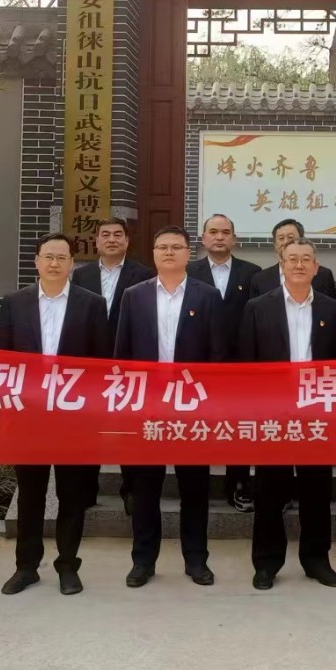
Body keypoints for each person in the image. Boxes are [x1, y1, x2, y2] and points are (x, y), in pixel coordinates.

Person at [0, 233, 111, 597]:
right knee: (30, 494)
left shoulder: (92, 304)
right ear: (36, 261)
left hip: (73, 418)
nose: (55, 263)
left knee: (72, 494)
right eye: (48, 256)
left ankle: (68, 566)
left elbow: (101, 364)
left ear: (72, 264)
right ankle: (26, 567)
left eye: (62, 257)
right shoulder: (15, 303)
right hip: (28, 416)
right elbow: (3, 361)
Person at [114, 225, 227, 587]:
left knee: (194, 488)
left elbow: (217, 355)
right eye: (162, 246)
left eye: (176, 247)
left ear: (188, 253)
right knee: (145, 489)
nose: (168, 252)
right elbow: (122, 354)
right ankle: (143, 561)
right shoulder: (134, 296)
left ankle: (196, 560)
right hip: (147, 407)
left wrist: (210, 405)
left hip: (191, 408)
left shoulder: (207, 296)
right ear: (153, 253)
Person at [240, 238, 336, 590]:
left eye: (306, 260)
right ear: (281, 265)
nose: (299, 265)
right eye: (292, 259)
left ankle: (316, 559)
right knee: (269, 490)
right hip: (274, 414)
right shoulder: (258, 307)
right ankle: (266, 562)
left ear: (316, 267)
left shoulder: (333, 310)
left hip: (317, 413)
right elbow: (247, 364)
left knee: (317, 489)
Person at [72, 217, 152, 512]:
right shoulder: (81, 276)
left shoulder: (143, 274)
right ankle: (86, 489)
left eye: (118, 234)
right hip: (90, 364)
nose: (112, 239)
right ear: (96, 241)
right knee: (90, 427)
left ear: (127, 241)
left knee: (128, 429)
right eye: (105, 234)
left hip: (128, 364)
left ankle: (130, 489)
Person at [187, 213, 262, 513]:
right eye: (213, 232)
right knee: (197, 426)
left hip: (238, 364)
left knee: (237, 427)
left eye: (225, 232)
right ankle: (196, 488)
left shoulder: (252, 273)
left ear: (234, 238)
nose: (219, 237)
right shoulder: (189, 271)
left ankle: (239, 485)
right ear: (203, 238)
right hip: (198, 365)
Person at [250, 218, 336, 298]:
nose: (285, 242)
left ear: (302, 240)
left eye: (290, 237)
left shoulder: (323, 276)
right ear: (275, 244)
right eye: (281, 238)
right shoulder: (260, 279)